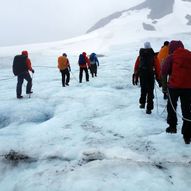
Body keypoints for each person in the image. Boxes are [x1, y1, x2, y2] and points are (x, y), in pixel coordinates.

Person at [161, 40, 191, 144]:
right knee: (186, 109)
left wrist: (164, 88)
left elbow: (164, 71)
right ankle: (187, 135)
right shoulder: (189, 55)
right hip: (188, 87)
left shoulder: (171, 57)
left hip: (174, 87)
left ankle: (172, 127)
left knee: (171, 106)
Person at [133, 42, 161, 114]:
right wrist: (158, 78)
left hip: (142, 74)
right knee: (150, 91)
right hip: (150, 74)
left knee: (143, 89)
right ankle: (149, 109)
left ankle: (142, 103)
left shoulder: (140, 56)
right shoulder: (153, 56)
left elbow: (136, 66)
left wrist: (136, 76)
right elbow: (157, 67)